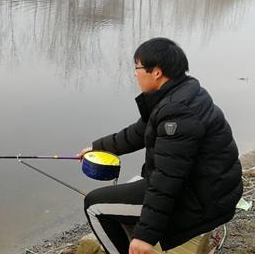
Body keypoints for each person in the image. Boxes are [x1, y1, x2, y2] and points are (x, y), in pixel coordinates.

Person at [77, 38, 243, 254]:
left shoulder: (177, 114)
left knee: (94, 205)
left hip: (201, 201)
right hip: (210, 191)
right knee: (131, 188)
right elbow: (138, 132)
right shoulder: (181, 95)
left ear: (156, 72)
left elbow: (167, 180)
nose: (135, 74)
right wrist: (98, 147)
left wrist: (145, 237)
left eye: (137, 68)